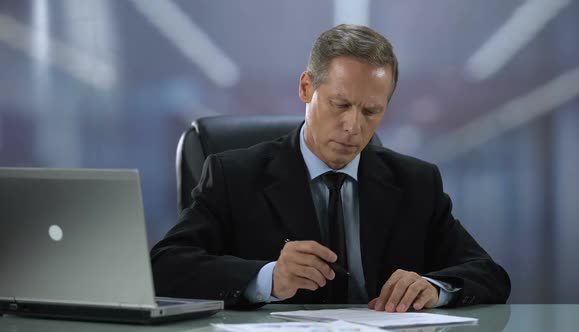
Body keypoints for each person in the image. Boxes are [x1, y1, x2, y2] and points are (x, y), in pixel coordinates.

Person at [150, 24, 511, 312]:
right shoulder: (234, 175)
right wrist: (267, 278)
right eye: (340, 104)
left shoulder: (417, 182)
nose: (353, 127)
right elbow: (165, 266)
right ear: (307, 88)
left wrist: (435, 289)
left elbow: (488, 274)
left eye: (371, 111)